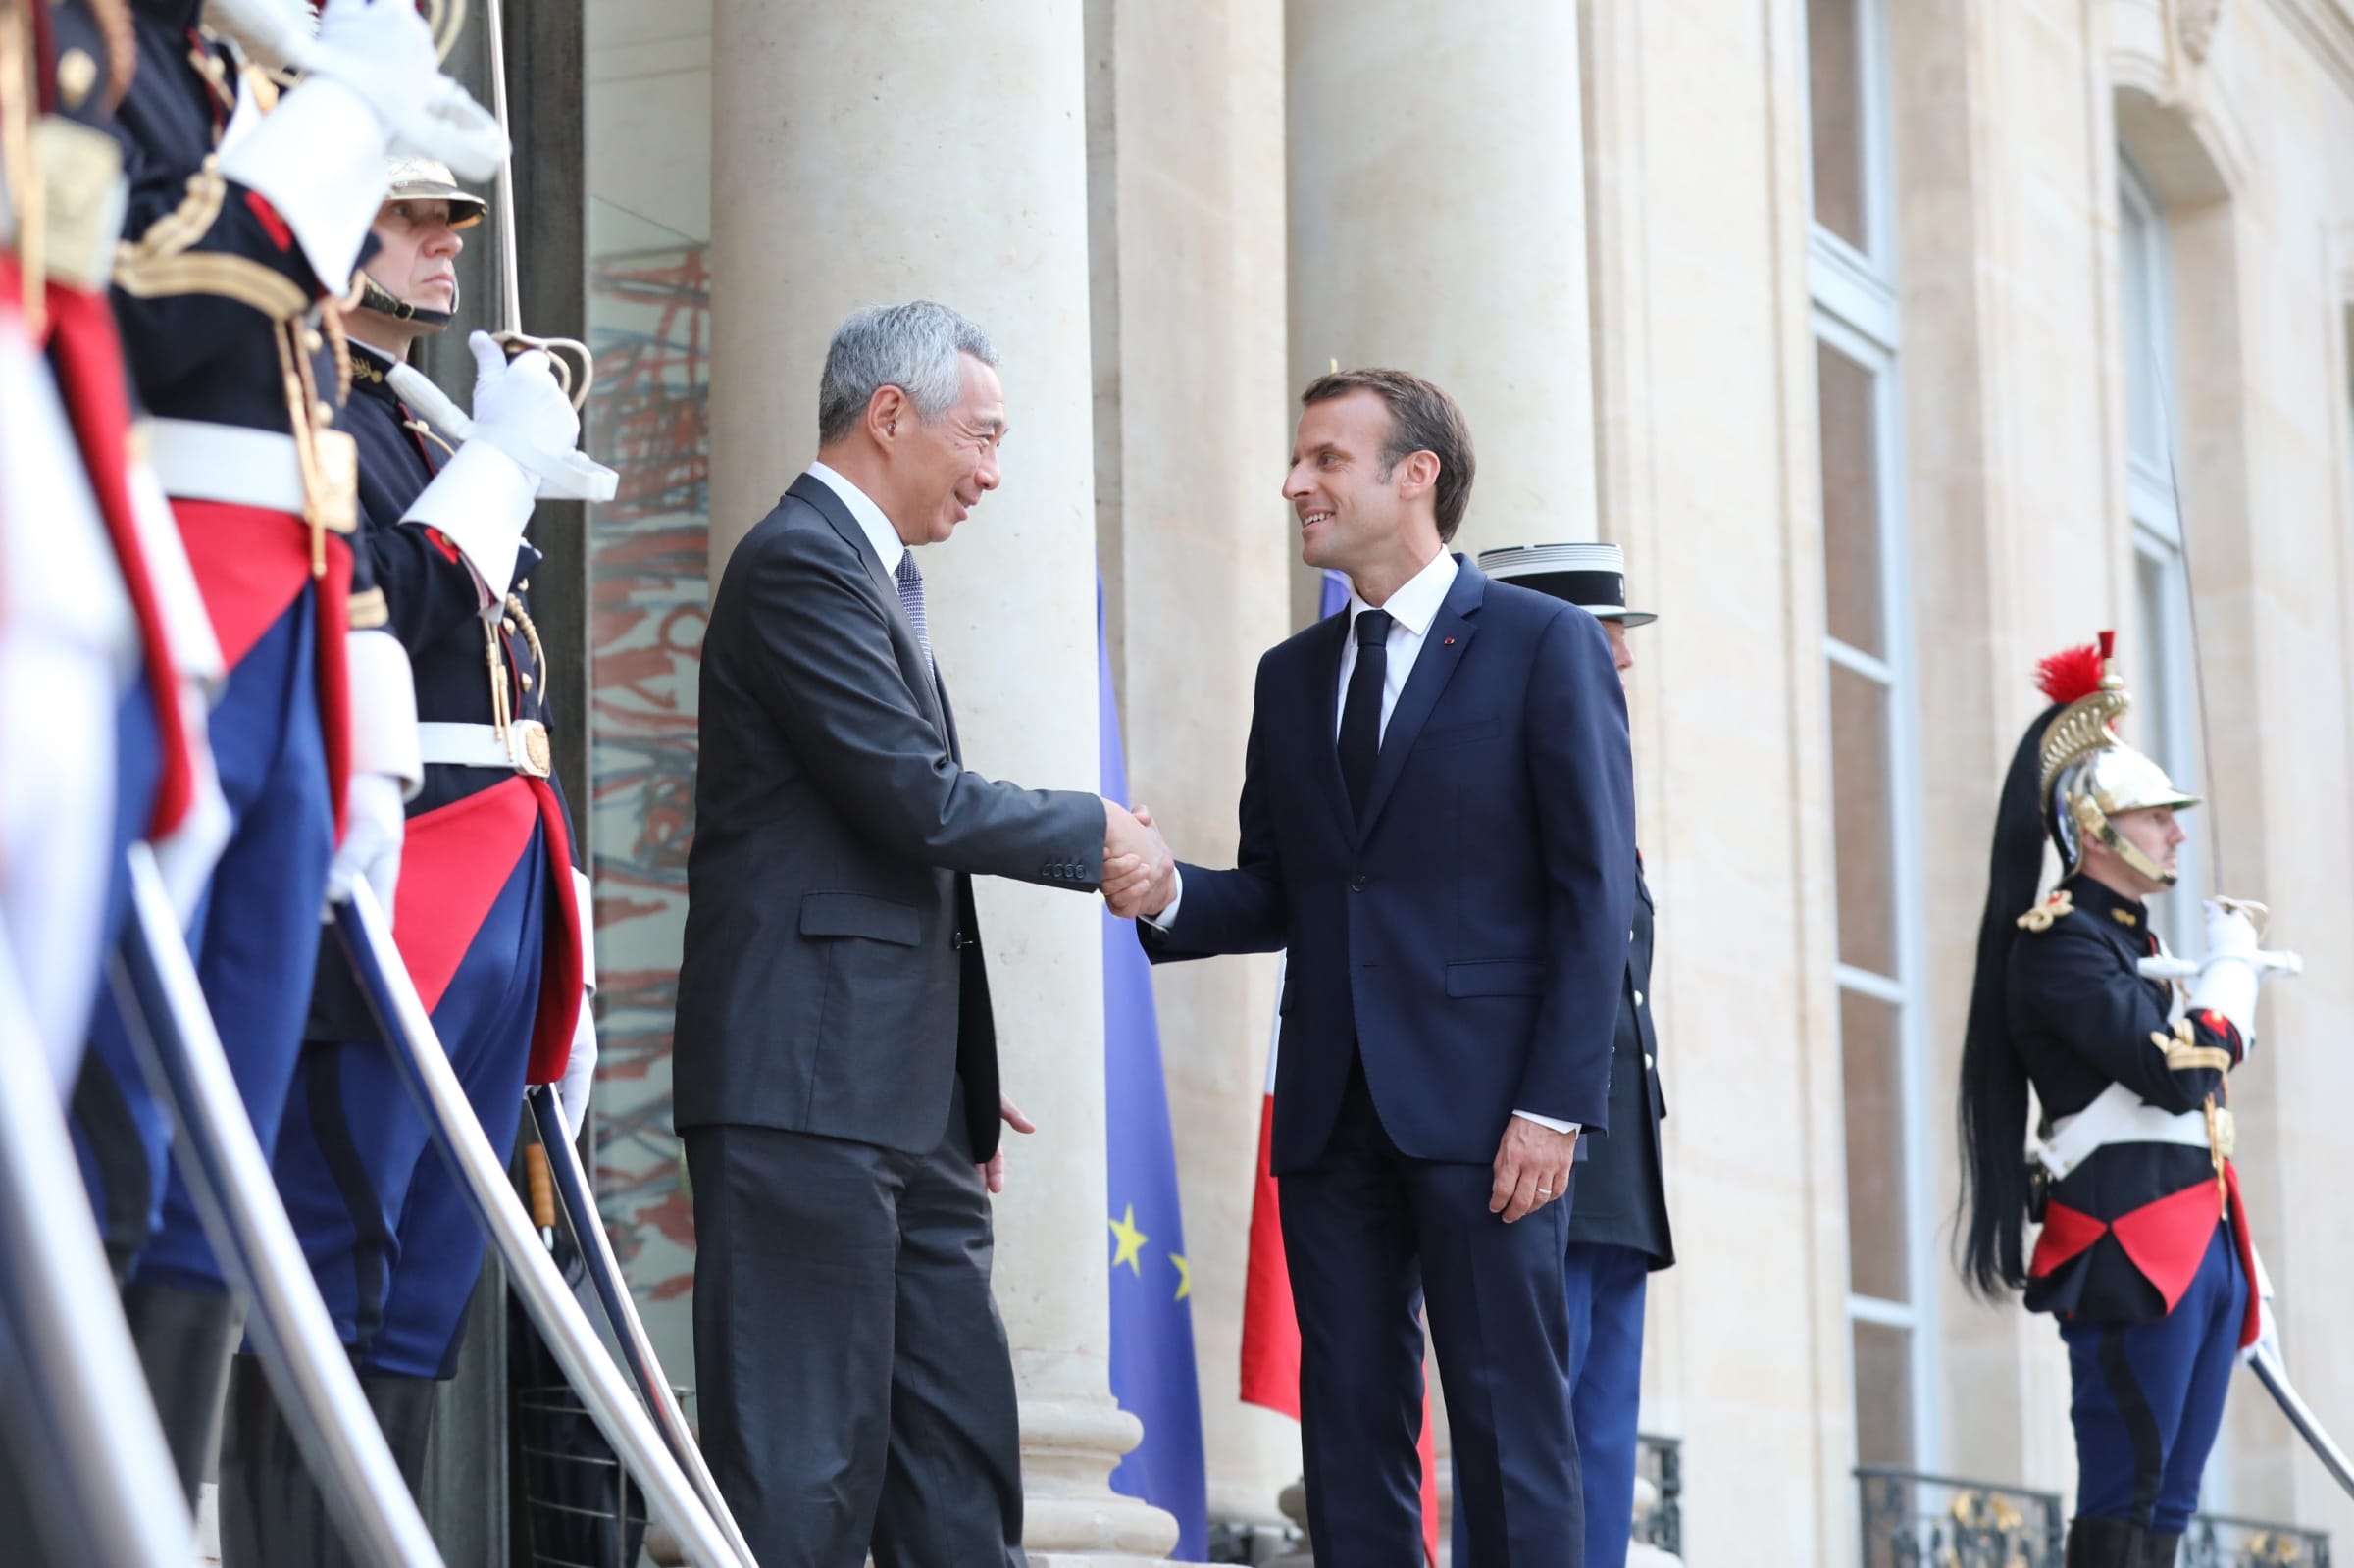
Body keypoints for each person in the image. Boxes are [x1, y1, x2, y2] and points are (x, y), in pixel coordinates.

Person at [59, 0, 499, 1500]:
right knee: (112, 1098)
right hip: (142, 589)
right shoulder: (84, 43)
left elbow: (308, 431)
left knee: (219, 1160)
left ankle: (142, 1503)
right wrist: (322, 137)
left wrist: (360, 695)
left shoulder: (218, 73)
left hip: (282, 637)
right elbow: (137, 303)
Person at [671, 300, 1167, 1568]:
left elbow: (892, 861)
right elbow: (910, 797)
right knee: (799, 1481)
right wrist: (1093, 827)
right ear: (889, 414)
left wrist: (959, 1076)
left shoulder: (879, 576)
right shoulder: (794, 563)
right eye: (985, 436)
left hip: (904, 1108)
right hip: (802, 1089)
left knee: (958, 1476)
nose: (997, 472)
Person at [1132, 369, 1637, 1565]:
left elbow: (1593, 895)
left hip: (1493, 1120)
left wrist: (1553, 1107)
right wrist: (1164, 891)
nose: (1297, 482)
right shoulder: (1289, 676)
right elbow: (1282, 890)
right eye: (1299, 460)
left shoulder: (1544, 646)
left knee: (1513, 1430)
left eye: (1326, 459)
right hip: (1329, 1118)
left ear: (1417, 477)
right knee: (1349, 1439)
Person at [218, 159, 598, 1567]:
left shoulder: (404, 415)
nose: (446, 244)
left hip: (487, 876)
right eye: (411, 212)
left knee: (421, 1294)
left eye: (453, 221)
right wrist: (495, 467)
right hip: (391, 869)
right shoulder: (303, 380)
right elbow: (390, 599)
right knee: (337, 1262)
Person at [1957, 633, 2280, 1568]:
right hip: (2127, 1246)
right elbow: (2181, 1071)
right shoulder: (2059, 944)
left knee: (2170, 1511)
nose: (2176, 831)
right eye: (2155, 815)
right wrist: (2233, 977)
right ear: (2096, 826)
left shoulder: (2130, 946)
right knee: (2122, 1506)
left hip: (2197, 1241)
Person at [1470, 541, 1672, 1568]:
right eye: (1606, 640)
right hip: (1542, 1143)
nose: (1624, 664)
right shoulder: (1498, 782)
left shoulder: (1596, 778)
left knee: (1599, 1437)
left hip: (1614, 1156)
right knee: (1528, 1447)